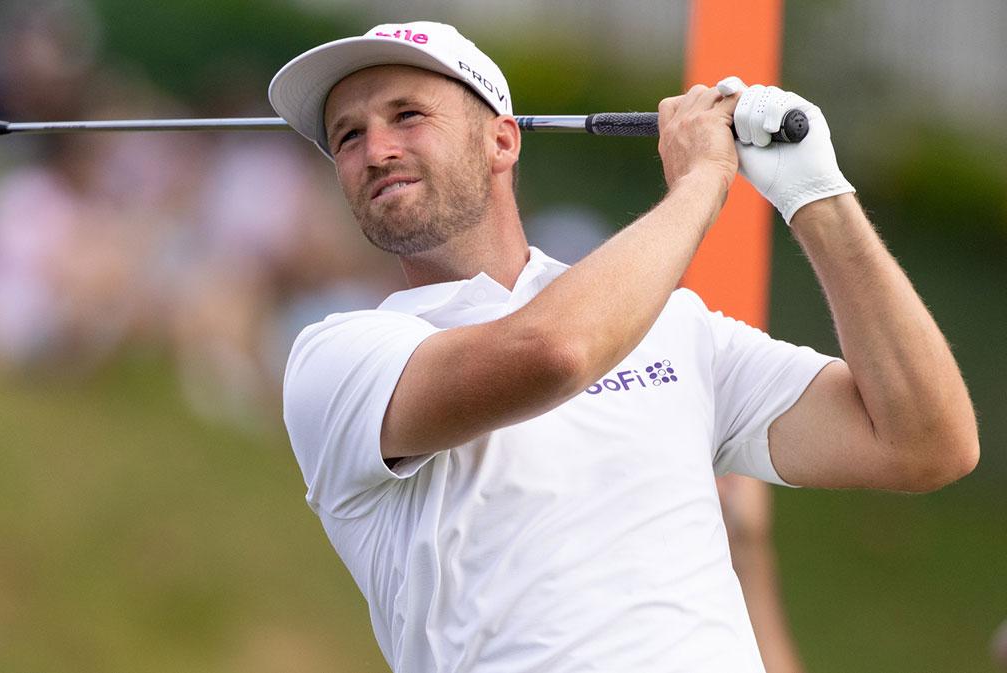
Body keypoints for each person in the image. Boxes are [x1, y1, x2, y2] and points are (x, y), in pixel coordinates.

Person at [271, 21, 979, 673]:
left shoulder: (673, 324)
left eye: (407, 115)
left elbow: (925, 441)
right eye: (347, 136)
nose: (376, 150)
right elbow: (555, 350)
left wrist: (816, 194)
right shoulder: (339, 358)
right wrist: (704, 179)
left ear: (503, 140)